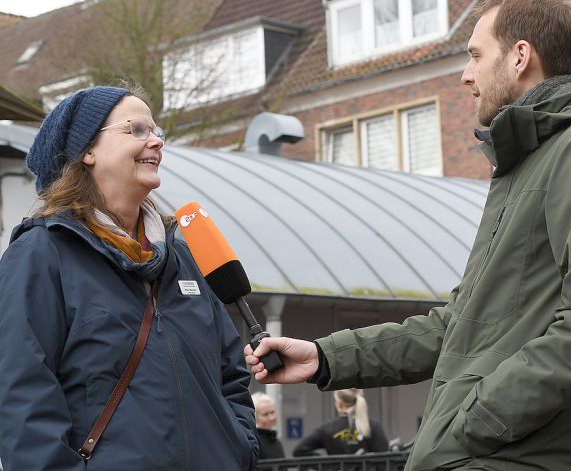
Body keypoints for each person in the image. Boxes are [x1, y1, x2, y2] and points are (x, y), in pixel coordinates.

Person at [245, 0, 571, 469]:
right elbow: (458, 325)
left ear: (519, 56)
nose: (466, 75)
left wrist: (480, 418)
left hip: (508, 456)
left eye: (475, 54)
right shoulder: (532, 157)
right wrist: (326, 357)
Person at [0, 85, 259, 470]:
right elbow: (22, 399)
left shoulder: (183, 258)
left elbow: (231, 375)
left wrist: (240, 448)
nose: (155, 141)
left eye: (157, 132)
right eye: (136, 129)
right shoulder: (41, 254)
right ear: (86, 152)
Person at [293, 388, 389, 456]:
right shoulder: (373, 426)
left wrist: (328, 465)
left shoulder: (327, 429)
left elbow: (299, 450)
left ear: (338, 404)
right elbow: (384, 457)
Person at [253, 392, 286, 460]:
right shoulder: (253, 442)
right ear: (255, 417)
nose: (271, 418)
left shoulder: (275, 440)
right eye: (265, 414)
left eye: (272, 412)